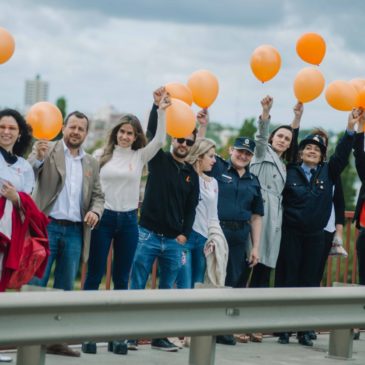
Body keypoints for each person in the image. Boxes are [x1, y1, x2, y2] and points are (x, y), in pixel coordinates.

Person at [81, 90, 170, 355]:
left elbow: (161, 139)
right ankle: (86, 335)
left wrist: (161, 110)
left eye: (130, 133)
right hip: (103, 219)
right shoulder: (100, 155)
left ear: (136, 136)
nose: (125, 136)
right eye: (122, 132)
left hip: (130, 221)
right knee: (94, 277)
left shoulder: (139, 156)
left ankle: (118, 337)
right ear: (116, 133)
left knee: (122, 279)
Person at [275, 108, 361, 347]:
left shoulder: (329, 172)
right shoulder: (289, 170)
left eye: (317, 149)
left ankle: (304, 330)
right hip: (291, 235)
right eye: (308, 148)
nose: (312, 151)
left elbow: (343, 155)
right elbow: (289, 147)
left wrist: (349, 128)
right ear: (300, 153)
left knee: (309, 283)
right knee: (288, 281)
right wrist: (296, 120)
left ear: (322, 156)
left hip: (315, 237)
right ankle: (283, 329)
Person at [28, 110, 104, 357]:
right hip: (47, 226)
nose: (76, 132)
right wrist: (38, 158)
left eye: (81, 129)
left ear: (86, 133)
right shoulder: (47, 150)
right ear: (63, 127)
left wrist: (95, 211)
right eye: (72, 127)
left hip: (74, 232)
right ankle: (28, 339)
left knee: (64, 289)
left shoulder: (91, 162)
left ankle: (55, 341)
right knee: (36, 284)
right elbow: (30, 172)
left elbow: (98, 196)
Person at [129, 89, 200, 352]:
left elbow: (192, 209)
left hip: (173, 241)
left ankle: (159, 336)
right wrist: (156, 106)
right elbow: (150, 133)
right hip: (147, 234)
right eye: (180, 139)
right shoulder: (158, 160)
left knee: (165, 292)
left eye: (189, 142)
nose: (184, 144)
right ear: (173, 138)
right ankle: (130, 335)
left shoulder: (191, 174)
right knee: (136, 285)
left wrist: (184, 234)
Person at [201, 128, 264, 345]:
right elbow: (199, 152)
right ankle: (203, 327)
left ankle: (223, 329)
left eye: (248, 153)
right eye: (240, 151)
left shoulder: (254, 181)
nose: (243, 156)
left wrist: (255, 247)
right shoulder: (217, 166)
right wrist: (203, 125)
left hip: (240, 235)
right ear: (231, 150)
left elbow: (256, 216)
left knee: (234, 281)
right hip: (217, 231)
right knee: (213, 277)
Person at [249, 96, 302, 290]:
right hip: (257, 213)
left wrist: (297, 119)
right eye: (279, 136)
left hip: (274, 220)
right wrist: (265, 113)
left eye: (287, 139)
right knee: (248, 262)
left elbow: (294, 141)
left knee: (263, 271)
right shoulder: (262, 152)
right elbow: (260, 137)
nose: (283, 140)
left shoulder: (284, 165)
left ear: (290, 145)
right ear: (272, 137)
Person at [0, 109, 49, 293]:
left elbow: (28, 198)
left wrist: (17, 198)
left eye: (12, 128)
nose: (6, 131)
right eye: (2, 127)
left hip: (12, 231)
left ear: (19, 133)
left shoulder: (24, 166)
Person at [175, 137, 219, 289]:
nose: (214, 160)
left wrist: (214, 237)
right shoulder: (186, 176)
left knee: (198, 285)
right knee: (184, 284)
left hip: (203, 239)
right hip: (184, 236)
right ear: (200, 155)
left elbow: (214, 215)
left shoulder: (213, 182)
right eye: (211, 156)